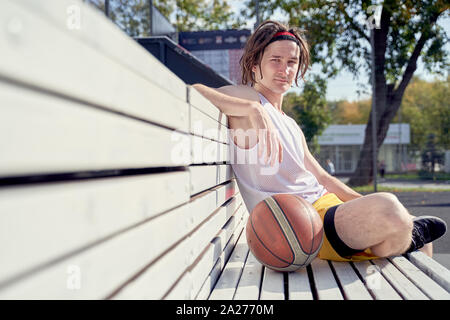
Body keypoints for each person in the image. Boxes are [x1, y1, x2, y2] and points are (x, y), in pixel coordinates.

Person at [191, 20, 446, 262]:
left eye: (292, 62)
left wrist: (363, 203)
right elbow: (195, 90)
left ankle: (397, 240)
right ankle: (396, 239)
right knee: (391, 211)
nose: (285, 69)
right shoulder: (249, 98)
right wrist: (252, 109)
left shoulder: (290, 124)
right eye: (275, 60)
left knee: (415, 232)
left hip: (331, 211)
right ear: (256, 65)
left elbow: (325, 180)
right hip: (302, 225)